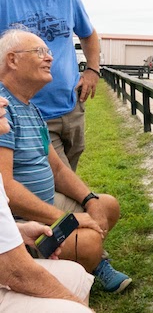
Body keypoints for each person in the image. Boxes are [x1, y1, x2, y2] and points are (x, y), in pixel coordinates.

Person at [0, 29, 131, 293]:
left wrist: (89, 201)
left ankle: (80, 261)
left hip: (44, 203)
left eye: (49, 52)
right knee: (90, 243)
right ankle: (71, 261)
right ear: (12, 60)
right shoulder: (3, 108)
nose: (50, 58)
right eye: (39, 52)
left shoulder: (30, 107)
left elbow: (58, 168)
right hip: (19, 218)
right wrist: (67, 218)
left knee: (106, 206)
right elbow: (6, 190)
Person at [0, 0, 101, 171]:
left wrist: (92, 70)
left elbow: (89, 35)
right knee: (62, 181)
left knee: (68, 171)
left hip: (71, 106)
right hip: (28, 112)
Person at [0, 96, 95, 312]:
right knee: (75, 307)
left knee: (77, 275)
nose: (3, 101)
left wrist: (19, 231)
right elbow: (17, 273)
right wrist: (74, 303)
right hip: (8, 267)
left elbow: (59, 169)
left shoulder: (33, 108)